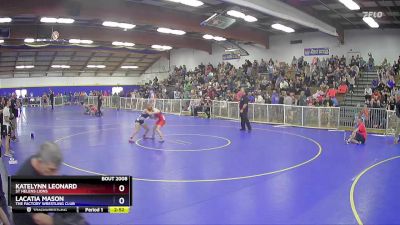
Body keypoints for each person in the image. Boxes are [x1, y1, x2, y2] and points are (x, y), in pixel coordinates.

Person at [13, 142, 89, 225]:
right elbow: (39, 218)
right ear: (39, 163)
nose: (56, 175)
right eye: (51, 170)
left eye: (56, 170)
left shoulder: (40, 161)